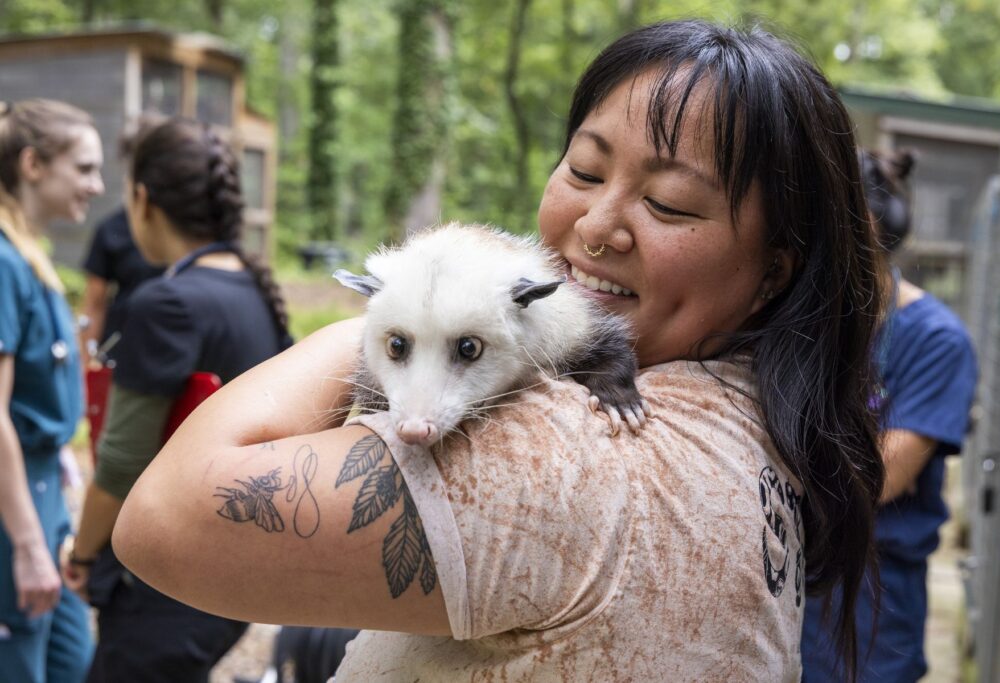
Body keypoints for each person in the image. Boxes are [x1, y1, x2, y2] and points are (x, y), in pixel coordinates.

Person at [113, 20, 886, 682]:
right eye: (584, 170)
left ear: (772, 272)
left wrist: (401, 311)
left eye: (668, 203)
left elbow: (161, 519)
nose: (596, 226)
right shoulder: (748, 419)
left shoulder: (571, 459)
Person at [60, 118, 293, 682]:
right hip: (235, 580)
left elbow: (120, 462)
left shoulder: (165, 304)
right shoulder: (254, 292)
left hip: (166, 585)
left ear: (142, 198)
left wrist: (84, 556)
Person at [801, 150, 978, 681]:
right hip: (779, 569)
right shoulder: (797, 321)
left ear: (866, 226)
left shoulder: (935, 339)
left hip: (866, 594)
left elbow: (880, 477)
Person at [0, 99, 104, 683]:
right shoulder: (2, 262)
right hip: (12, 514)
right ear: (34, 164)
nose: (99, 184)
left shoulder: (29, 254)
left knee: (72, 661)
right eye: (84, 168)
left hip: (43, 498)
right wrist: (26, 545)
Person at [78, 119, 164, 367]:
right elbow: (94, 304)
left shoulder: (187, 227)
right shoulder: (111, 230)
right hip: (124, 356)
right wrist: (86, 365)